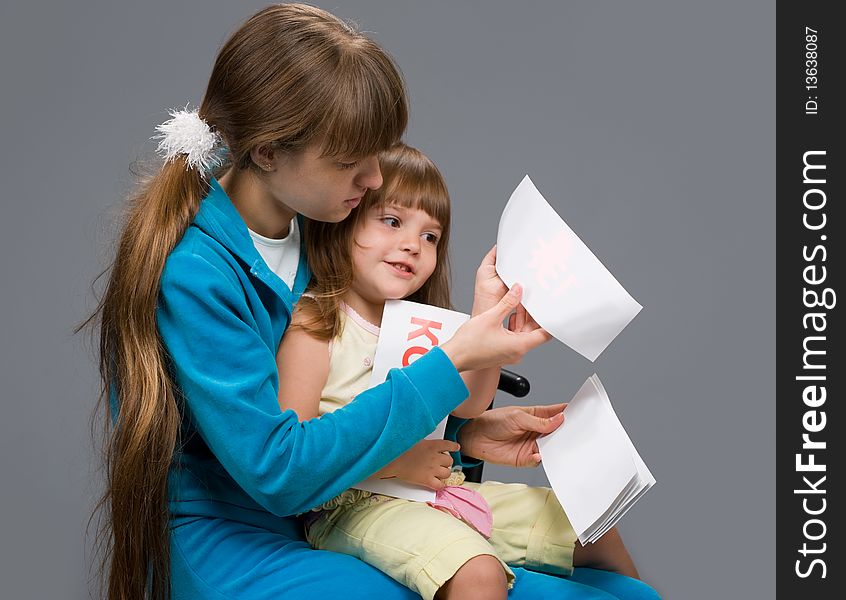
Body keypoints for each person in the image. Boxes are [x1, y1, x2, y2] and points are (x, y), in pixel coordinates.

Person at [85, 4, 659, 599]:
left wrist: (464, 439)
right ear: (265, 152)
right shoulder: (197, 277)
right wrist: (449, 364)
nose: (374, 180)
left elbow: (352, 395)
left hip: (343, 498)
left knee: (626, 594)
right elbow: (278, 470)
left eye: (376, 155)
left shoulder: (325, 234)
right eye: (348, 162)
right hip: (241, 531)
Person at [277, 143, 656, 600]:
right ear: (345, 220)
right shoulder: (316, 324)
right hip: (354, 505)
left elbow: (471, 403)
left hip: (441, 489)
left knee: (592, 526)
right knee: (479, 573)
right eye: (392, 221)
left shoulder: (424, 324)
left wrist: (484, 316)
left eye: (431, 236)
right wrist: (400, 461)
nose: (412, 245)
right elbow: (296, 451)